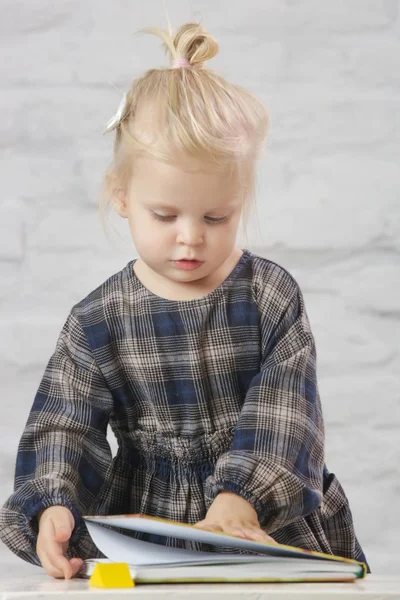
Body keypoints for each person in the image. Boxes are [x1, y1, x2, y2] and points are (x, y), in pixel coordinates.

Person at [0, 21, 369, 580]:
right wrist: (54, 500)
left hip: (262, 525)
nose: (191, 236)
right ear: (121, 197)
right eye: (165, 215)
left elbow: (287, 413)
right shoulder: (97, 319)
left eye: (215, 216)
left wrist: (240, 496)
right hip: (149, 527)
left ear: (239, 200)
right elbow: (62, 423)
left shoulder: (269, 296)